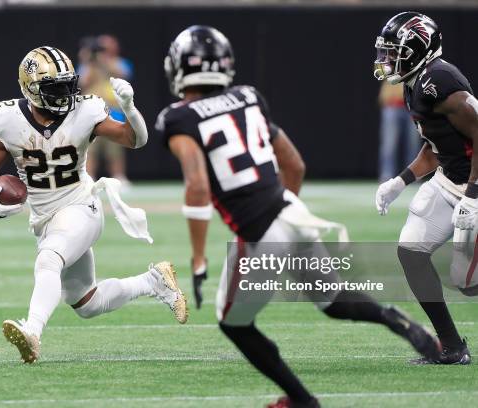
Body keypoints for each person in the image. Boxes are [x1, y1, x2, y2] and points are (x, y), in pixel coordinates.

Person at [157, 26, 440, 408]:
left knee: (233, 323)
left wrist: (198, 257)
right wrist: (283, 211)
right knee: (333, 300)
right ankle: (397, 321)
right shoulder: (248, 97)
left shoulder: (177, 118)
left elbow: (196, 186)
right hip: (294, 213)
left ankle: (301, 400)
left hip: (261, 231)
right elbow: (295, 164)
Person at [0, 46, 187, 363]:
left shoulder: (85, 111)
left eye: (67, 85)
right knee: (86, 302)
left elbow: (134, 139)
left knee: (48, 261)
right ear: (31, 90)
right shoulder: (7, 120)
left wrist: (129, 107)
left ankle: (32, 332)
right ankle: (154, 281)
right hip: (46, 219)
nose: (65, 95)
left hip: (81, 206)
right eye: (55, 88)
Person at [374, 11, 478, 365]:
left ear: (417, 49)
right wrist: (400, 181)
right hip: (450, 180)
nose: (386, 60)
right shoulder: (415, 81)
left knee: (466, 281)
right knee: (411, 252)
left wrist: (474, 195)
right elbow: (438, 146)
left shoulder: (441, 81)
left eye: (394, 51)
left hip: (473, 186)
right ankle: (451, 347)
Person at [78, 35, 134, 186]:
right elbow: (83, 82)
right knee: (90, 150)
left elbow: (123, 74)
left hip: (113, 110)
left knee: (115, 149)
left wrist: (103, 61)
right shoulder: (88, 65)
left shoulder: (120, 63)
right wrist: (88, 62)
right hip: (90, 113)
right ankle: (89, 179)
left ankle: (119, 176)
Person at [378, 81, 421, 181]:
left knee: (413, 144)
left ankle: (412, 175)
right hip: (393, 105)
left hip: (412, 107)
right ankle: (387, 175)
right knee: (389, 144)